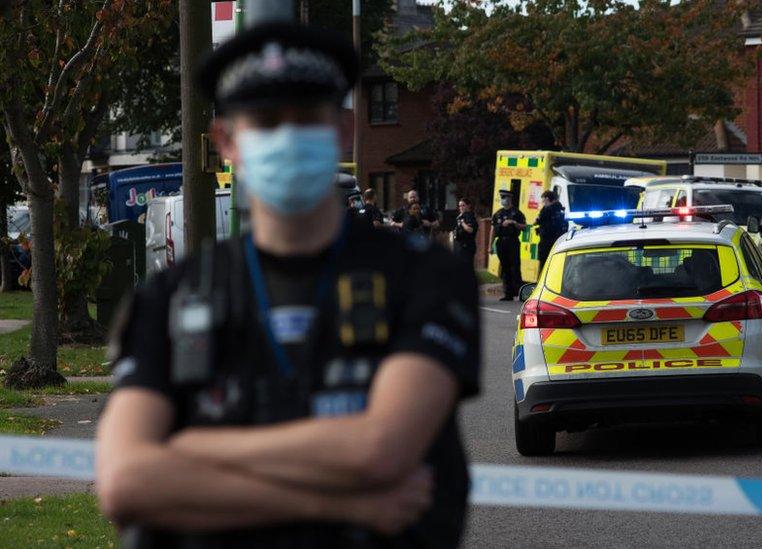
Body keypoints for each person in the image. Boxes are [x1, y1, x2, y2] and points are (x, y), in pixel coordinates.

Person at [96, 22, 481, 549]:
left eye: (306, 121)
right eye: (266, 122)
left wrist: (189, 449)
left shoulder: (426, 276)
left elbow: (379, 449)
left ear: (344, 132)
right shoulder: (171, 296)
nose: (287, 139)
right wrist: (335, 501)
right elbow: (126, 482)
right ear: (227, 141)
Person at [491, 190, 526, 301]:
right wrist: (490, 245)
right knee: (505, 267)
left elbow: (524, 227)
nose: (502, 200)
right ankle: (508, 293)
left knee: (515, 267)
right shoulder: (498, 214)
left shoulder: (516, 213)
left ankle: (520, 292)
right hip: (501, 242)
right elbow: (493, 230)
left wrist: (514, 223)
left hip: (513, 242)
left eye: (504, 197)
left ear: (510, 199)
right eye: (501, 197)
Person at [534, 190, 566, 269]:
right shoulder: (560, 208)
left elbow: (537, 221)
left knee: (543, 265)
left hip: (546, 241)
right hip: (557, 241)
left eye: (543, 200)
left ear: (547, 199)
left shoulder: (547, 210)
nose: (543, 202)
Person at [453, 198, 478, 267]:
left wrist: (462, 223)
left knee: (467, 268)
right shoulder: (461, 217)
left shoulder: (469, 216)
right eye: (459, 206)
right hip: (460, 245)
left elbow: (470, 230)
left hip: (467, 246)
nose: (461, 207)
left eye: (463, 205)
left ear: (468, 206)